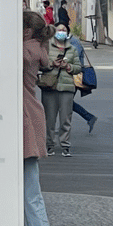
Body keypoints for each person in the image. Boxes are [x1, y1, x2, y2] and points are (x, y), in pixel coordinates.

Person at [21, 11, 62, 226]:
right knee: (28, 194)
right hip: (30, 117)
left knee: (30, 195)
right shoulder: (37, 48)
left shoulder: (24, 51)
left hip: (24, 119)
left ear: (26, 30)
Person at [38, 19, 83, 155]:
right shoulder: (46, 47)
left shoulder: (72, 49)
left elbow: (78, 68)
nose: (61, 32)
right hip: (49, 86)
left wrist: (68, 66)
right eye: (59, 30)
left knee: (65, 118)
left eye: (64, 30)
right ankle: (49, 144)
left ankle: (65, 145)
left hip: (67, 88)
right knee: (49, 119)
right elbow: (40, 64)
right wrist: (52, 64)